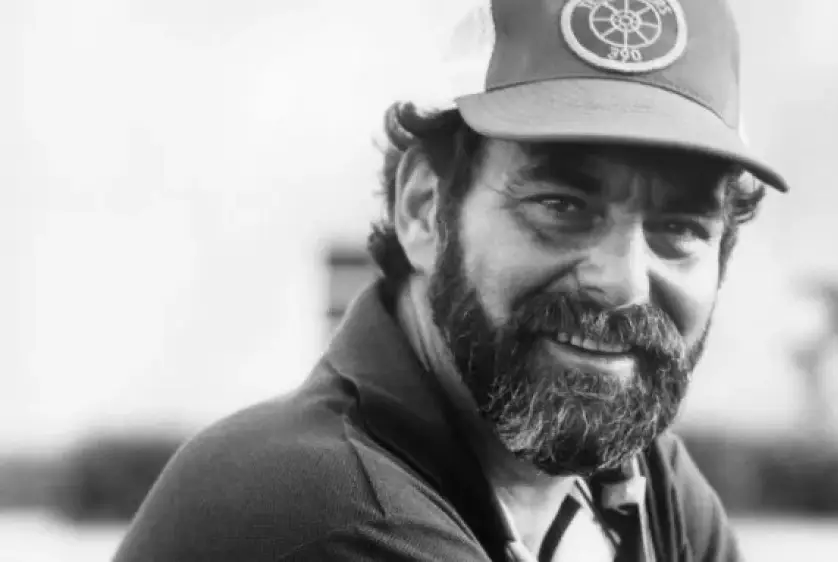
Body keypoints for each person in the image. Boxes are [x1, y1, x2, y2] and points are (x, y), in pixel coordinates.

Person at [114, 0, 789, 560]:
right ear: (424, 209)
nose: (624, 282)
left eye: (679, 228)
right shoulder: (340, 518)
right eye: (561, 206)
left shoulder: (640, 482)